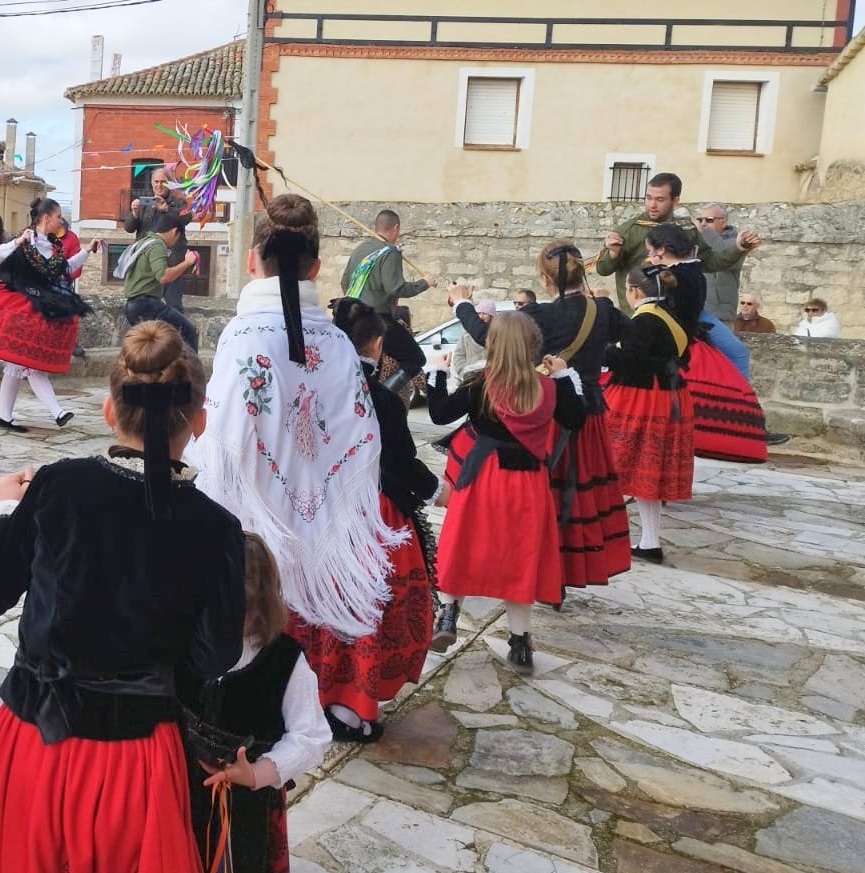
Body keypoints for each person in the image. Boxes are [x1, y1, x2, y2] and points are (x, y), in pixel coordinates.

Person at [0, 320, 244, 873]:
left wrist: (4, 509)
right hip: (138, 754)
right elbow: (214, 656)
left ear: (111, 409)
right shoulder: (216, 527)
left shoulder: (59, 486)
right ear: (199, 420)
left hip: (34, 741)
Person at [196, 194, 405, 741]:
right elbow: (360, 435)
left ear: (252, 260)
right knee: (326, 579)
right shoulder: (337, 341)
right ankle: (336, 701)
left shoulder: (240, 337)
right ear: (314, 267)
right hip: (322, 502)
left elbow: (220, 439)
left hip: (256, 507)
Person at [450, 242, 632, 595]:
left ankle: (538, 568)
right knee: (578, 495)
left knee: (545, 492)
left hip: (549, 413)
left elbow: (492, 337)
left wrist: (462, 304)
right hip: (589, 411)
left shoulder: (543, 315)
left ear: (546, 279)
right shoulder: (604, 309)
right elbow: (629, 337)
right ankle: (564, 570)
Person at [178, 533, 332, 873]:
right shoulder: (181, 645)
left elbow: (311, 736)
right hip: (177, 792)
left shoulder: (284, 660)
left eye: (234, 613)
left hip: (244, 803)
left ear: (259, 607)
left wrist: (256, 773)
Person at [426, 312, 586, 673]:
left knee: (462, 545)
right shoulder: (548, 389)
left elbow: (438, 414)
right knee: (521, 557)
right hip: (528, 483)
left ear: (492, 346)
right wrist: (562, 374)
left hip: (482, 479)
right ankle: (520, 644)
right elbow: (577, 418)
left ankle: (448, 616)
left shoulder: (480, 385)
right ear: (534, 347)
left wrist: (437, 372)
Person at [310, 299, 436, 739]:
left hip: (317, 512)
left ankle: (319, 694)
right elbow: (400, 463)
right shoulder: (380, 399)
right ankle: (353, 706)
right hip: (371, 516)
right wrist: (434, 489)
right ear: (378, 344)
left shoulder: (314, 390)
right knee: (367, 607)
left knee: (321, 604)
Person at [594, 171, 757, 376]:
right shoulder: (631, 230)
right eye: (648, 198)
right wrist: (614, 252)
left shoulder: (687, 229)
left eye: (660, 199)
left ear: (675, 200)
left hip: (688, 313)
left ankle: (743, 403)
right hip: (644, 315)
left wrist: (739, 247)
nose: (652, 204)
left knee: (736, 352)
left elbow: (711, 262)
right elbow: (603, 268)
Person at [644, 224, 772, 463]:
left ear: (661, 249)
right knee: (735, 354)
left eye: (652, 250)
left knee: (736, 353)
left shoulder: (677, 270)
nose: (649, 255)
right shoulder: (685, 268)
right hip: (685, 322)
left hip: (686, 322)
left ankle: (744, 412)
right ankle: (745, 413)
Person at [0, 196, 91, 431]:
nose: (60, 220)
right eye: (58, 216)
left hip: (39, 306)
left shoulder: (52, 245)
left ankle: (5, 416)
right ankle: (57, 411)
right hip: (21, 307)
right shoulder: (26, 239)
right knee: (27, 363)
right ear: (46, 218)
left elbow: (62, 271)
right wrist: (17, 242)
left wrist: (87, 251)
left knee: (17, 364)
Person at [604, 264, 694, 565]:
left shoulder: (642, 320)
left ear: (634, 291)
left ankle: (604, 533)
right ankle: (650, 541)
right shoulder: (671, 316)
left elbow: (631, 363)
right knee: (648, 472)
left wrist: (603, 349)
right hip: (671, 395)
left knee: (607, 462)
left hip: (640, 397)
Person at [340, 210, 438, 380]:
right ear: (396, 228)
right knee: (415, 359)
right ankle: (386, 395)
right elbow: (396, 288)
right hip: (378, 319)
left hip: (352, 318)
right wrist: (425, 283)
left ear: (376, 227)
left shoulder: (360, 249)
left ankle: (372, 399)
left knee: (370, 366)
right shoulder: (390, 252)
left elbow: (344, 283)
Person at [117, 208, 200, 350]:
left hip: (134, 305)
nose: (175, 242)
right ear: (175, 232)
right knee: (189, 331)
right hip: (147, 305)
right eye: (177, 237)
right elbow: (163, 276)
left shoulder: (144, 242)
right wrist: (187, 262)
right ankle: (189, 370)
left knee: (152, 348)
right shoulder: (157, 245)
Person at [125, 165, 194, 312]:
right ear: (151, 183)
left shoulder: (179, 203)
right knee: (145, 308)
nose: (158, 185)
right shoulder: (144, 203)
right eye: (156, 181)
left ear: (169, 183)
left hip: (171, 263)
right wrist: (135, 213)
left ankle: (174, 334)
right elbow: (129, 228)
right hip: (146, 266)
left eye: (162, 182)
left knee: (173, 306)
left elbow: (186, 219)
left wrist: (167, 210)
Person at [693, 204, 747, 323]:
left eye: (709, 220)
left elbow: (721, 252)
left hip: (721, 314)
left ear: (723, 222)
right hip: (697, 310)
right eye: (700, 220)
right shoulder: (699, 241)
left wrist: (705, 231)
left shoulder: (736, 242)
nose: (703, 224)